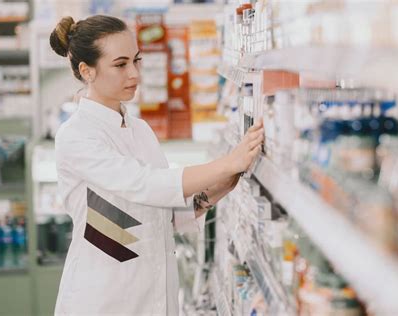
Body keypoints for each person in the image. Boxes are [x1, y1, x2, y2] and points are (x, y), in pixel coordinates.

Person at [50, 15, 264, 315]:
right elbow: (143, 183)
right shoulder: (75, 136)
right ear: (87, 71)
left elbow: (156, 215)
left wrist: (214, 191)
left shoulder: (140, 131)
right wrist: (226, 163)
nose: (135, 73)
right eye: (120, 64)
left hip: (155, 298)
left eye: (136, 60)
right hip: (102, 301)